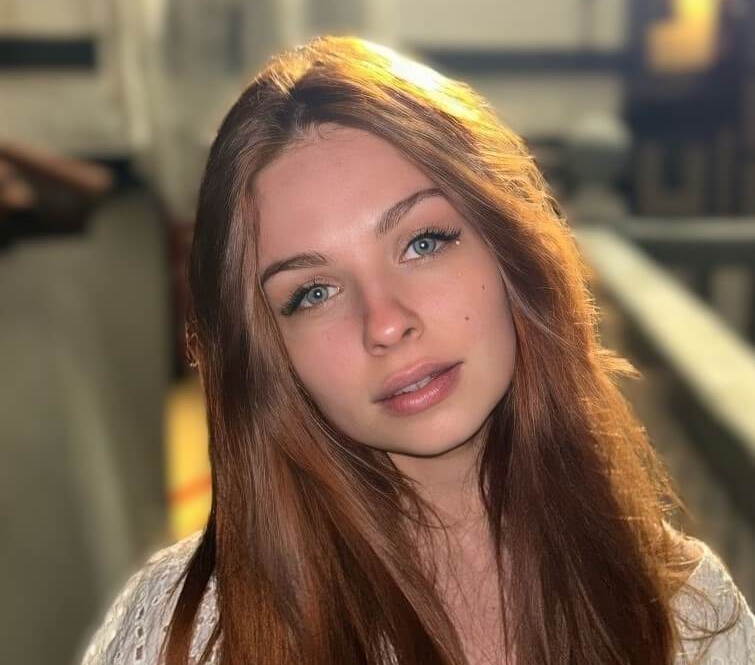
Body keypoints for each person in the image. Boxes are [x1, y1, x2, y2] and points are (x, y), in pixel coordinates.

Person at [81, 36, 754, 664]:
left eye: (422, 243)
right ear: (266, 355)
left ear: (511, 250)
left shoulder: (689, 611)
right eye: (312, 292)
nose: (385, 323)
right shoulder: (183, 634)